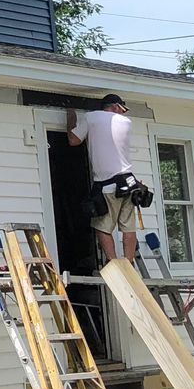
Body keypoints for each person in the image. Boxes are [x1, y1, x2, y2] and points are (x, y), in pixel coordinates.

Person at [67, 94, 143, 265]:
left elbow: (73, 140)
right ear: (115, 106)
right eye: (122, 109)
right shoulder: (126, 123)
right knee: (128, 228)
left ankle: (114, 262)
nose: (123, 114)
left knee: (102, 227)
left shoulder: (91, 117)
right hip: (129, 183)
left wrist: (71, 117)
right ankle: (128, 263)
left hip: (108, 184)